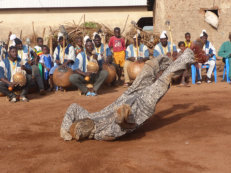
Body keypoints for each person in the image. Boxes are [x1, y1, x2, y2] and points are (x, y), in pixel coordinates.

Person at [60, 39, 206, 141]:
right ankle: (190, 56)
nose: (84, 126)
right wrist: (122, 117)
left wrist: (65, 130)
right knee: (163, 80)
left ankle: (170, 60)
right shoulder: (102, 134)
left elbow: (73, 108)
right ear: (86, 135)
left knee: (148, 69)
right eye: (82, 130)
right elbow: (122, 128)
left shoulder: (89, 117)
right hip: (140, 108)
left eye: (80, 124)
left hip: (126, 97)